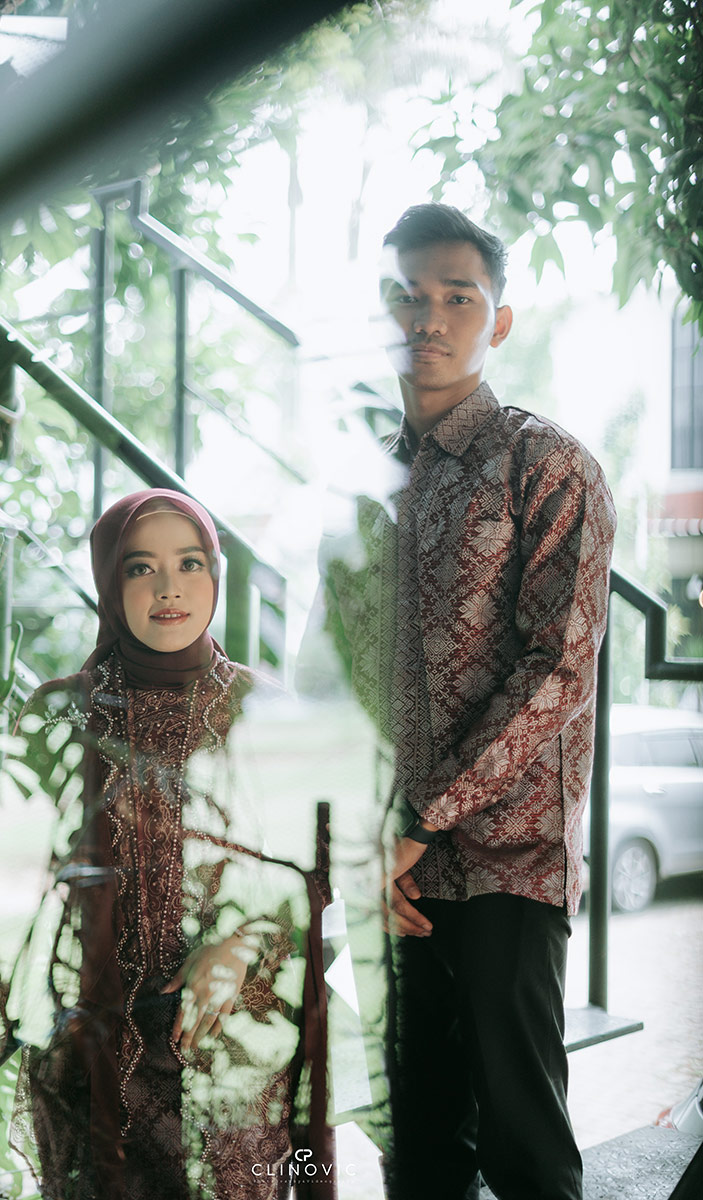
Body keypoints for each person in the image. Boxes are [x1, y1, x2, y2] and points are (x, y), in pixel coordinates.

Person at [0, 489, 332, 1199]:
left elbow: (316, 877)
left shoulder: (267, 712)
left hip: (232, 1058)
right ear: (110, 581)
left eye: (189, 563)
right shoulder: (58, 715)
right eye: (141, 568)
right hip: (86, 1068)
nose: (169, 587)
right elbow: (16, 904)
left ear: (214, 573)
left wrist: (241, 946)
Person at [323, 204, 616, 1199]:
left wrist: (421, 822)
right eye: (407, 296)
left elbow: (558, 669)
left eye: (458, 297)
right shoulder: (359, 489)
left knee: (522, 1146)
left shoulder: (548, 465)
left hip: (506, 863)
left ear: (498, 321)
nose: (428, 318)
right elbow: (344, 682)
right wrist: (367, 841)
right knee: (415, 1145)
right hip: (391, 872)